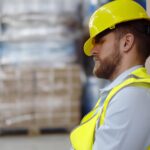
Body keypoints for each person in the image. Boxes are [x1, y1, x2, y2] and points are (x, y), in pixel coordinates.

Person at [70, 0, 150, 150]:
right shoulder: (119, 93)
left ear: (126, 42)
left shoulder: (132, 96)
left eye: (100, 41)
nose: (92, 51)